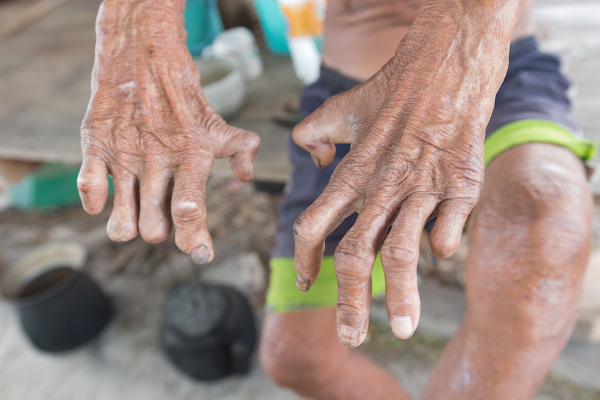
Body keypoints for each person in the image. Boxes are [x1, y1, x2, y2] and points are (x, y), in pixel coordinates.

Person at [77, 0, 595, 398]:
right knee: (295, 357)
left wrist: (461, 41)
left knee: (545, 229)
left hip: (490, 59)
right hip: (349, 93)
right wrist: (133, 27)